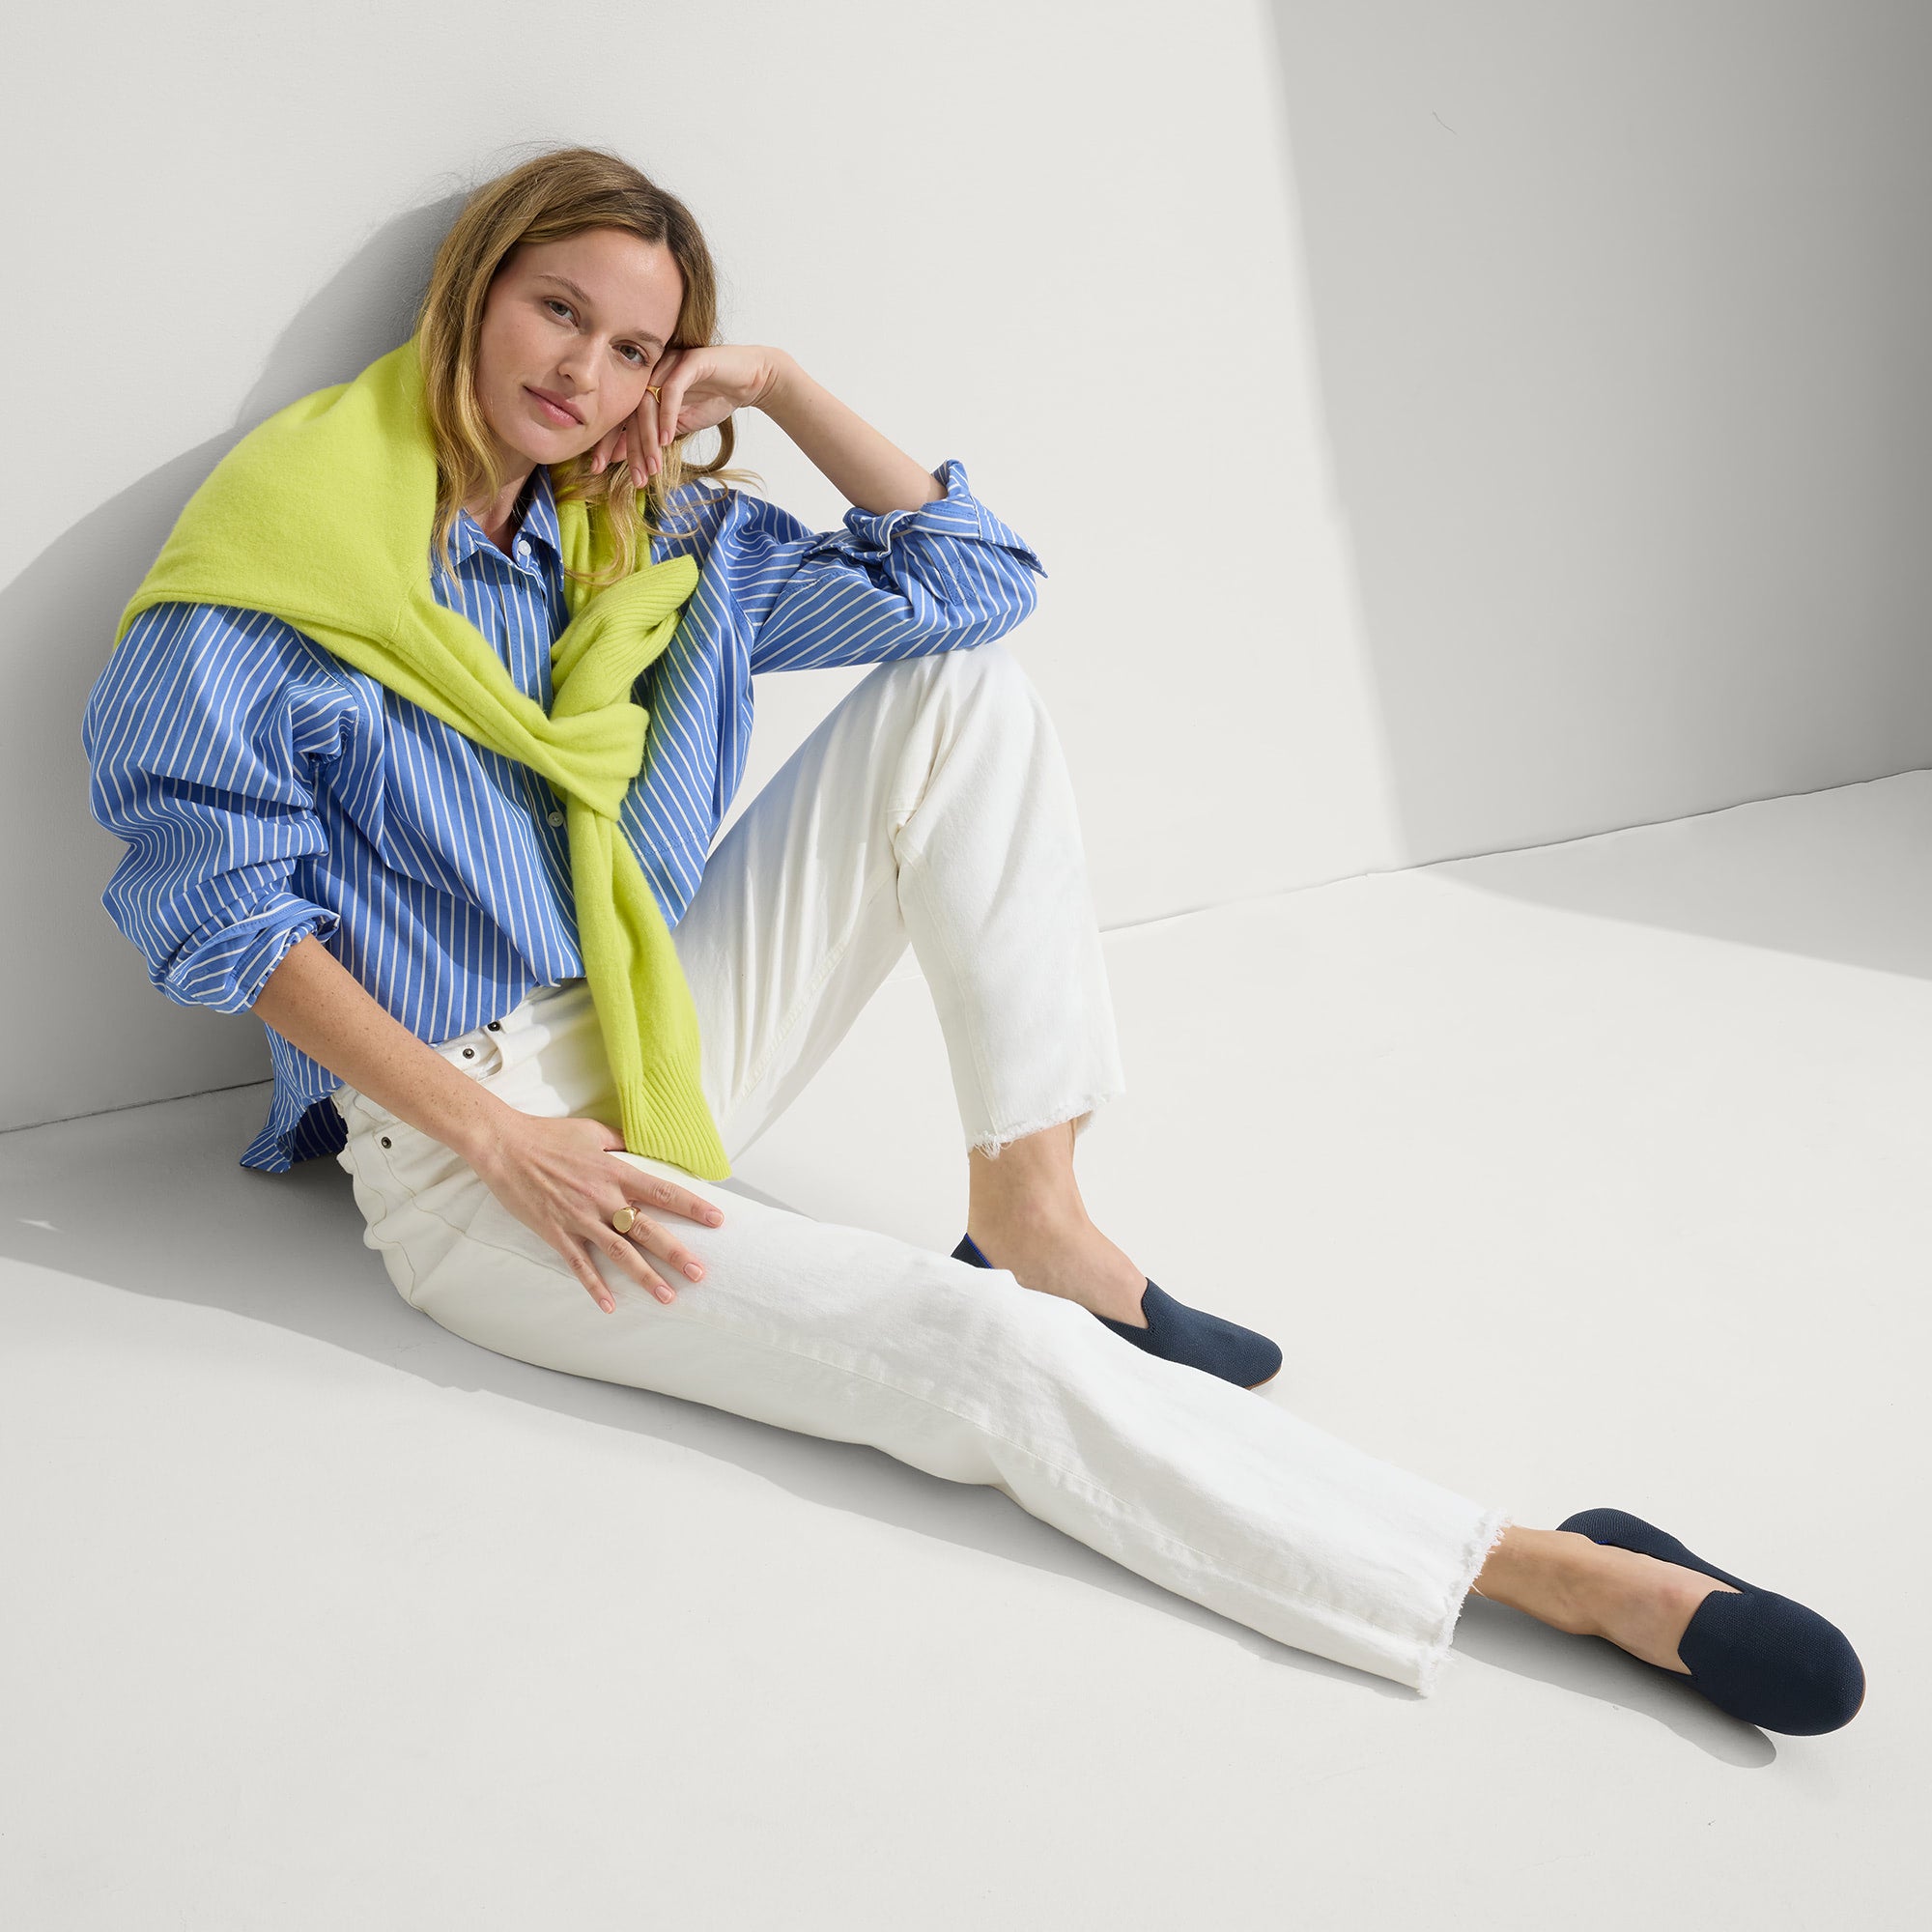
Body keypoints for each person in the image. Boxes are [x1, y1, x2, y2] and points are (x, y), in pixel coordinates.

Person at [81, 145, 1863, 1733]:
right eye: (559, 311)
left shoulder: (639, 532)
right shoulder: (286, 563)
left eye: (637, 347)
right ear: (472, 291)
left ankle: (1034, 1208)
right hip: (481, 1149)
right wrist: (499, 1140)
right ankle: (1550, 1571)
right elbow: (219, 918)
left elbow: (972, 583)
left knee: (966, 700)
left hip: (655, 1026)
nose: (585, 373)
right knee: (974, 1360)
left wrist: (779, 385)